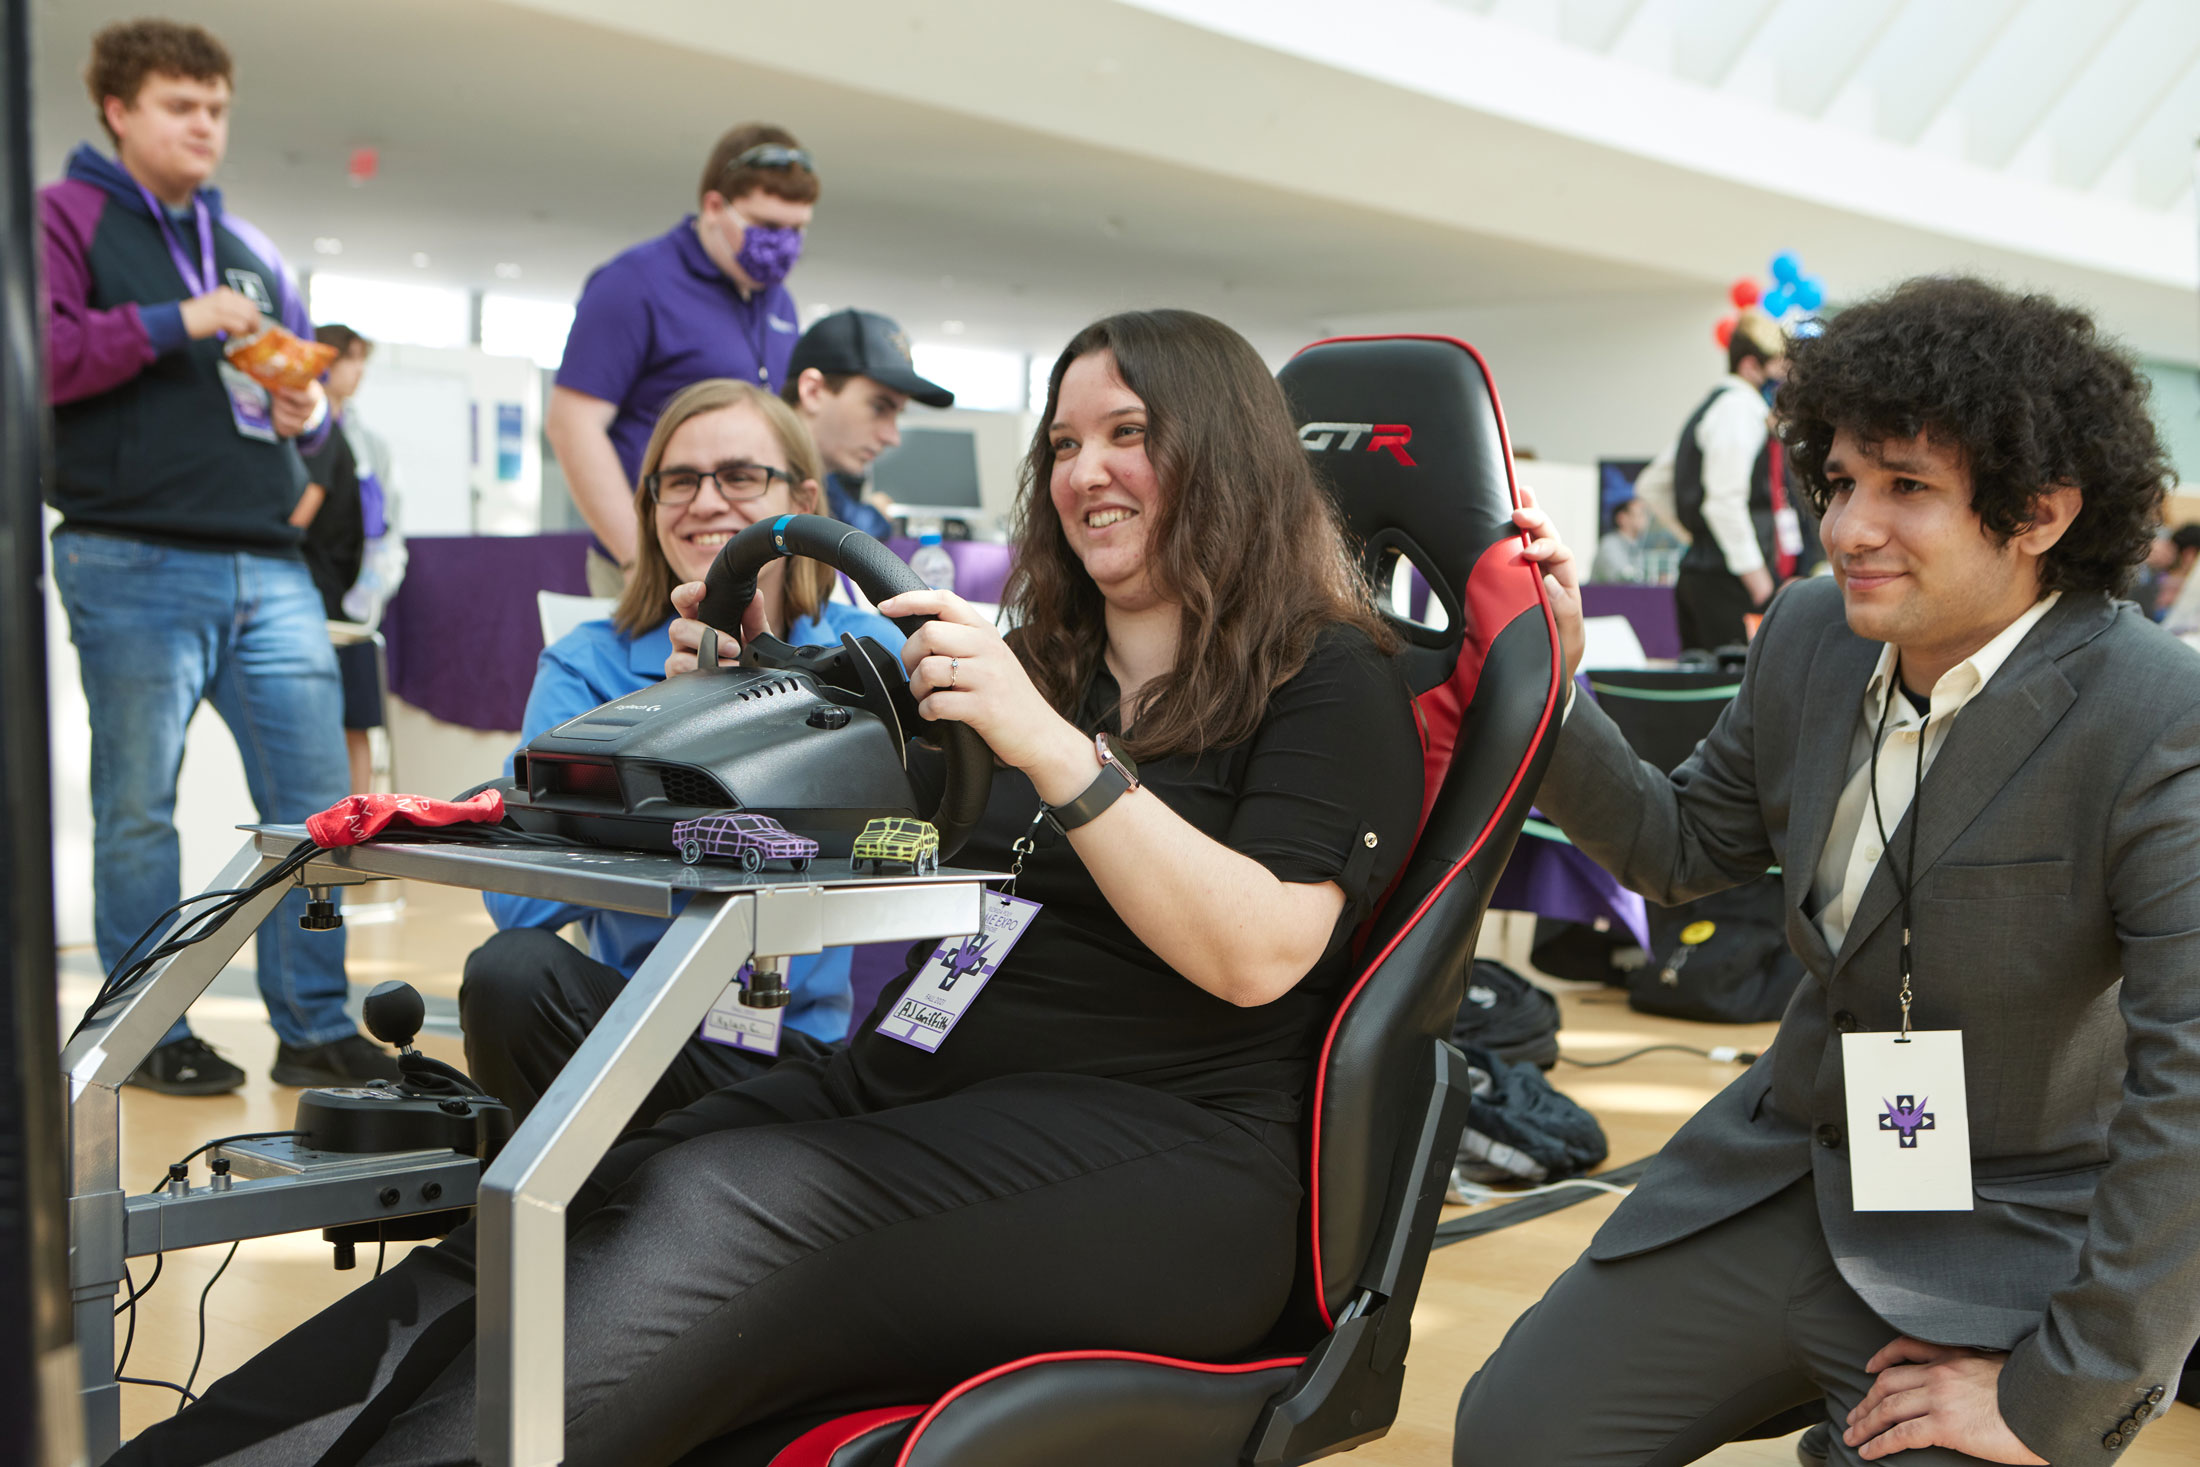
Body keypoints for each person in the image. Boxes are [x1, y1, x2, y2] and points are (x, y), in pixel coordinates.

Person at [119, 307, 1424, 1467]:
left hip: (1173, 1157)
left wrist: (1055, 752)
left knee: (727, 1199)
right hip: (923, 1086)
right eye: (1066, 441)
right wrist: (731, 710)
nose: (1085, 470)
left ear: (1225, 453)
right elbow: (879, 841)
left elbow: (1258, 950)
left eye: (1127, 432)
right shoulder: (1044, 661)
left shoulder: (1326, 676)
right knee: (566, 1183)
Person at [1454, 276, 2198, 1467]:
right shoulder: (1806, 635)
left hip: (2001, 1219)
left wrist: (2057, 1394)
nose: (1848, 527)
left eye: (1908, 488)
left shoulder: (2155, 713)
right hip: (1779, 1167)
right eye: (1841, 481)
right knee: (1514, 1441)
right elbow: (1680, 849)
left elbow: (2190, 1087)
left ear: (2042, 513)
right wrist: (1549, 675)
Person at [43, 19, 396, 1094]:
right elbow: (47, 356)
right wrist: (176, 317)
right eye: (179, 107)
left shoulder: (254, 249)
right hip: (127, 552)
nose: (205, 127)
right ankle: (146, 1033)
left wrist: (301, 415)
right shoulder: (65, 218)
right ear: (118, 108)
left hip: (268, 564)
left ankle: (315, 1025)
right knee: (139, 805)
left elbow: (302, 421)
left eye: (216, 109)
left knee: (313, 808)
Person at [459, 380, 904, 1117]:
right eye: (679, 480)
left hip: (798, 1056)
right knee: (508, 973)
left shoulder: (875, 653)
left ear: (805, 500)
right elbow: (516, 903)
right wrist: (666, 738)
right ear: (650, 506)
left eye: (738, 475)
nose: (704, 502)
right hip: (637, 1036)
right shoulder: (587, 665)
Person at [547, 123, 819, 596]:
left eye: (797, 229)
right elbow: (572, 426)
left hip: (743, 567)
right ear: (714, 207)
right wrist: (637, 563)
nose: (784, 244)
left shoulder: (780, 305)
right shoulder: (633, 284)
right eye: (768, 227)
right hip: (651, 562)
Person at [1635, 311, 1790, 649]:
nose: (1783, 379)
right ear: (1751, 366)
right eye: (1778, 368)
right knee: (1734, 692)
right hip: (1732, 584)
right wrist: (1760, 583)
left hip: (1699, 576)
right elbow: (1723, 503)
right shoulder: (1740, 409)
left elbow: (1652, 484)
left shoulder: (1711, 406)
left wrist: (1699, 535)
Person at [296, 324, 385, 794]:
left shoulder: (353, 438)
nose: (359, 372)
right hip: (318, 595)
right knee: (330, 721)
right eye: (351, 359)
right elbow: (298, 518)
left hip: (347, 597)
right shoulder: (319, 433)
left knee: (355, 720)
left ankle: (357, 825)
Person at [782, 308, 955, 540]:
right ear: (812, 392)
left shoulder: (818, 480)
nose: (893, 438)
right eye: (878, 407)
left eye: (897, 414)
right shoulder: (751, 491)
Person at [1588, 494, 1679, 585]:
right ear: (1622, 518)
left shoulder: (1639, 545)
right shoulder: (1609, 545)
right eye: (1640, 514)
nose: (1645, 519)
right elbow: (1622, 576)